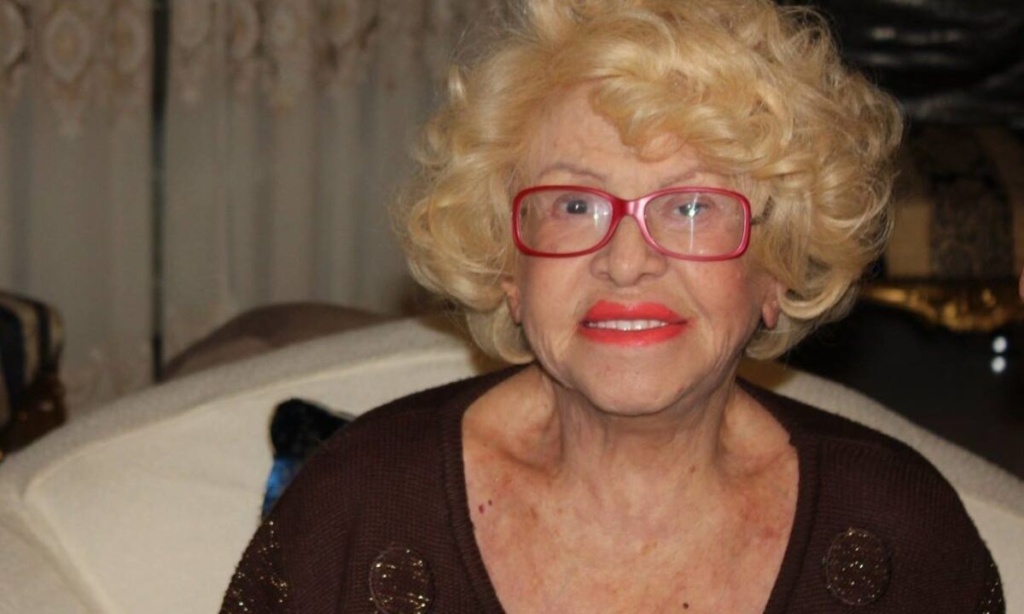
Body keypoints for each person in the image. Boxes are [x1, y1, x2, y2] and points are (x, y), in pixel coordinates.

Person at [222, 0, 1004, 611]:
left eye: (692, 207)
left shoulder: (905, 540)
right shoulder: (356, 510)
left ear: (778, 269)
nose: (627, 262)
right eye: (574, 205)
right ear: (509, 267)